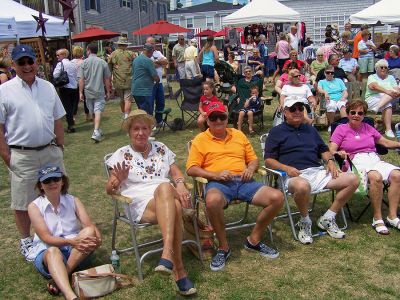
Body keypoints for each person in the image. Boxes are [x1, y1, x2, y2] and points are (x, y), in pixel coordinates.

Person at [106, 110, 197, 296]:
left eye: (144, 128)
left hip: (164, 195)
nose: (140, 132)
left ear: (150, 130)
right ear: (129, 132)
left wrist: (180, 184)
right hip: (139, 202)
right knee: (176, 204)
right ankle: (178, 268)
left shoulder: (161, 148)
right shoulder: (121, 154)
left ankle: (169, 257)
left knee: (165, 188)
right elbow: (109, 190)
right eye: (136, 129)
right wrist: (117, 180)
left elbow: (176, 174)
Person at [186, 102, 284, 271]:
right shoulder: (200, 140)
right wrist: (215, 175)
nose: (218, 120)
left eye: (221, 117)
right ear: (207, 121)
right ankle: (224, 247)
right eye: (213, 117)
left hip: (244, 181)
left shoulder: (238, 134)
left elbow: (253, 159)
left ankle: (253, 240)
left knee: (277, 197)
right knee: (213, 201)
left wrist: (251, 168)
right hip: (218, 183)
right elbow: (191, 168)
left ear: (227, 119)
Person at [0, 45, 66, 260]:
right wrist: (7, 156)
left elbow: (57, 118)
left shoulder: (48, 87)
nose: (27, 66)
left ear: (36, 63)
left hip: (50, 151)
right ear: (14, 65)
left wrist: (60, 146)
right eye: (22, 62)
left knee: (57, 194)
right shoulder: (4, 91)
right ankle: (26, 240)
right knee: (23, 201)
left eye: (30, 61)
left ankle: (57, 232)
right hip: (22, 154)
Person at [264, 97, 358, 244]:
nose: (297, 112)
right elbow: (268, 160)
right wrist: (286, 168)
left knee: (352, 179)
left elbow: (323, 149)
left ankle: (328, 218)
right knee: (303, 186)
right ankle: (305, 221)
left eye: (300, 109)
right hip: (292, 176)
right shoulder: (276, 132)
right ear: (285, 112)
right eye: (293, 109)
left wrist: (331, 162)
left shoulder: (310, 129)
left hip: (317, 171)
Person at [28, 166, 101, 299]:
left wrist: (97, 238)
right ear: (41, 186)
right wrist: (71, 241)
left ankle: (61, 276)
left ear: (62, 181)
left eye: (56, 179)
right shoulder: (34, 206)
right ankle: (70, 295)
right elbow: (46, 238)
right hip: (49, 254)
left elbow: (89, 225)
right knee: (53, 251)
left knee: (89, 231)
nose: (52, 183)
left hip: (75, 252)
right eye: (47, 181)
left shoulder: (73, 200)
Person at [329, 100, 400, 235]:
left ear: (364, 115)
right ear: (348, 114)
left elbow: (384, 142)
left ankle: (392, 216)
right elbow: (331, 149)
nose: (356, 115)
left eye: (360, 113)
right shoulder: (341, 129)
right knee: (376, 176)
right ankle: (377, 218)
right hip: (355, 162)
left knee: (397, 174)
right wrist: (339, 153)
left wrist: (398, 144)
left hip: (373, 158)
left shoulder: (368, 128)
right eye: (353, 112)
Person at [79, 43, 112, 142]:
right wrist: (108, 91)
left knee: (93, 111)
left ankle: (96, 130)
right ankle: (96, 130)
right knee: (97, 110)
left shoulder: (83, 63)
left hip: (88, 91)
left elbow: (81, 79)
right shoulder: (102, 62)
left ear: (88, 50)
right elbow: (107, 79)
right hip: (99, 90)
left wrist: (80, 92)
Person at [364, 59, 400, 138]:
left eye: (385, 67)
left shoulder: (391, 77)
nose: (383, 69)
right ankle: (388, 130)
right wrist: (387, 91)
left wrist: (391, 92)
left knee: (389, 99)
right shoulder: (372, 76)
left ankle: (377, 108)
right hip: (372, 98)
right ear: (377, 68)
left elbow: (396, 90)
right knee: (388, 104)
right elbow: (373, 86)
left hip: (389, 98)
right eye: (381, 67)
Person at [108, 36, 135, 120]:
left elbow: (109, 69)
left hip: (117, 80)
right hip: (129, 80)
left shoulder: (112, 54)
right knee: (128, 99)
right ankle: (127, 115)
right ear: (126, 45)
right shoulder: (131, 54)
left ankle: (124, 114)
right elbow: (136, 65)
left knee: (121, 99)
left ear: (118, 44)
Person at [131, 43, 160, 121]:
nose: (152, 54)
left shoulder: (136, 60)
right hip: (144, 90)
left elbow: (133, 73)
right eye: (152, 52)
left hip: (135, 89)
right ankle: (149, 128)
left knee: (141, 111)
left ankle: (143, 126)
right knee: (148, 112)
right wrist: (158, 81)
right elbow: (155, 76)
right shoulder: (148, 61)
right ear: (149, 51)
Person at [53, 48, 78, 133]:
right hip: (74, 87)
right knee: (72, 106)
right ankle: (72, 122)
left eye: (58, 55)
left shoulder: (60, 64)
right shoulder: (72, 64)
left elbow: (55, 75)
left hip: (65, 87)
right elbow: (76, 75)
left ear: (63, 55)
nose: (57, 57)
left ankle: (71, 125)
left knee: (67, 108)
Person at [317, 65, 348, 130]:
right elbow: (319, 89)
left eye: (332, 73)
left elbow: (345, 91)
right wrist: (325, 92)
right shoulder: (322, 82)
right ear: (325, 73)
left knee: (342, 105)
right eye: (328, 72)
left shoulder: (339, 80)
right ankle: (332, 125)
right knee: (331, 106)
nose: (330, 74)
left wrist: (344, 97)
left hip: (340, 98)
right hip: (330, 99)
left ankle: (345, 125)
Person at [146, 37, 168, 128]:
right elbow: (150, 65)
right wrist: (159, 63)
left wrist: (156, 62)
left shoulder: (158, 53)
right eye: (149, 43)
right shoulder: (145, 54)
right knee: (150, 104)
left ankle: (159, 120)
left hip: (159, 83)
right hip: (150, 83)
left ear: (155, 44)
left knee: (161, 102)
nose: (151, 45)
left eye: (152, 43)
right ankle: (151, 123)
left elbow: (165, 62)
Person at [71, 46, 88, 121]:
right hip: (84, 82)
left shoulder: (71, 62)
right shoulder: (84, 62)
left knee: (75, 101)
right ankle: (87, 115)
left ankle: (73, 116)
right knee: (86, 100)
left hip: (74, 83)